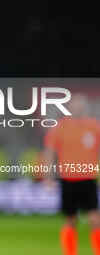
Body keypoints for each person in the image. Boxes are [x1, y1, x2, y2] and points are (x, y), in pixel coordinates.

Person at [43, 94, 100, 255]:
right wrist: (48, 176)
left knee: (95, 219)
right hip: (68, 179)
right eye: (75, 106)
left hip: (88, 179)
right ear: (69, 108)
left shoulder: (94, 127)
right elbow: (50, 152)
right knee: (70, 220)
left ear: (85, 108)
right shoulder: (60, 127)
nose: (78, 109)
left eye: (81, 106)